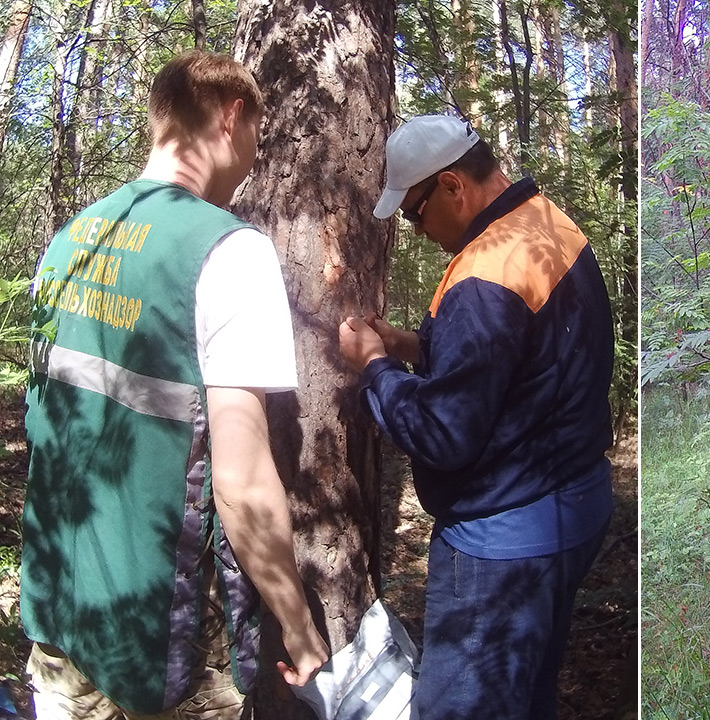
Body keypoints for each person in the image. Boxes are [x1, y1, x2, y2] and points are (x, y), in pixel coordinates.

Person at [22, 50, 329, 718]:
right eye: (257, 136)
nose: (255, 157)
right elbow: (242, 484)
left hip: (59, 619)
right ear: (232, 114)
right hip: (164, 644)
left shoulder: (73, 240)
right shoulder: (229, 252)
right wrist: (298, 625)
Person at [336, 114, 615, 720]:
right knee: (526, 696)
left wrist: (376, 368)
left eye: (414, 213)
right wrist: (414, 345)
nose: (416, 229)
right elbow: (526, 357)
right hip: (575, 507)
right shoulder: (544, 224)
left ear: (453, 186)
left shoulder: (483, 275)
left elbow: (442, 434)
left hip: (504, 543)